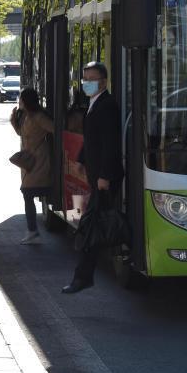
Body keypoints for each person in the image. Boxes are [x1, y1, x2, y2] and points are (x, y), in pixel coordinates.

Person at [62, 62, 124, 294]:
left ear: (104, 82)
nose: (86, 82)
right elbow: (91, 140)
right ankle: (119, 252)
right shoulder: (93, 104)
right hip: (97, 175)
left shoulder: (107, 105)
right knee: (98, 224)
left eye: (92, 78)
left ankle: (83, 276)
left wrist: (105, 176)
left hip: (104, 178)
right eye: (84, 78)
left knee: (92, 226)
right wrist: (80, 160)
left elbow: (110, 144)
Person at [10, 88, 54, 245]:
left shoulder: (38, 117)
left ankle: (33, 231)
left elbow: (55, 128)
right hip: (30, 162)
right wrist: (14, 121)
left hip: (40, 161)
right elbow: (23, 134)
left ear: (26, 101)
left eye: (21, 99)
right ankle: (32, 230)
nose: (19, 101)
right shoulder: (27, 116)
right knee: (29, 192)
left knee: (27, 192)